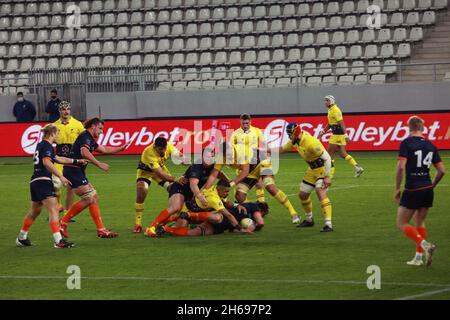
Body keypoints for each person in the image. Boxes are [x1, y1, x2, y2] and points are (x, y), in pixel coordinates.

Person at [15, 124, 87, 248]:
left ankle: (22, 237)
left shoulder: (42, 145)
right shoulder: (46, 145)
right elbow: (47, 162)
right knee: (53, 209)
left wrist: (76, 161)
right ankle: (58, 241)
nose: (58, 136)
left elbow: (58, 158)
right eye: (57, 133)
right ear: (52, 134)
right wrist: (61, 176)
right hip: (43, 180)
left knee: (35, 211)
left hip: (35, 181)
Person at [59, 118, 129, 238]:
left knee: (93, 197)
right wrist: (99, 164)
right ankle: (63, 223)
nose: (101, 131)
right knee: (88, 198)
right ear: (93, 126)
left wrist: (120, 148)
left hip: (77, 171)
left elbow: (104, 149)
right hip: (73, 170)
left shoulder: (89, 138)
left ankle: (101, 230)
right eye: (100, 128)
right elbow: (84, 152)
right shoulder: (85, 136)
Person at [203, 142, 299, 224]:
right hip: (250, 171)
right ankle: (254, 212)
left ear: (233, 148)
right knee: (239, 195)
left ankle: (293, 212)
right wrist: (204, 191)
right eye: (228, 156)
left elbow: (244, 171)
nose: (230, 157)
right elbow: (213, 175)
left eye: (231, 154)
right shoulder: (221, 158)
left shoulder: (240, 152)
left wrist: (231, 184)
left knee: (270, 187)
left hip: (262, 162)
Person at [395, 116, 445, 267]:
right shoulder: (431, 145)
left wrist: (397, 188)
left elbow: (401, 167)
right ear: (422, 128)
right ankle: (418, 258)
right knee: (420, 221)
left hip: (413, 187)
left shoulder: (406, 143)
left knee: (402, 222)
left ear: (409, 127)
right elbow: (442, 171)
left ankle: (425, 244)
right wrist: (432, 185)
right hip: (427, 188)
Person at [273, 123, 334, 232]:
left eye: (290, 134)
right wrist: (265, 151)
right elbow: (282, 149)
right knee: (303, 195)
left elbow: (327, 158)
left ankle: (328, 224)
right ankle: (309, 219)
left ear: (295, 132)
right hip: (312, 169)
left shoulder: (310, 142)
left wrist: (328, 176)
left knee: (320, 191)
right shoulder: (295, 142)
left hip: (324, 167)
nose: (288, 136)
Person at [146, 180, 244, 237]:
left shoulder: (214, 189)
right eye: (226, 191)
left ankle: (166, 226)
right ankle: (164, 225)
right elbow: (228, 215)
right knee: (181, 229)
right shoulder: (213, 199)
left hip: (197, 211)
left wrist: (236, 205)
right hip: (187, 210)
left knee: (215, 215)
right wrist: (239, 228)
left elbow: (226, 203)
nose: (228, 193)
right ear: (219, 189)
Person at [133, 137, 186, 233]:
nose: (163, 151)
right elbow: (160, 174)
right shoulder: (148, 152)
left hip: (160, 169)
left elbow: (177, 154)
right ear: (155, 147)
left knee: (174, 190)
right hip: (146, 172)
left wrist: (183, 159)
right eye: (160, 149)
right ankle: (138, 224)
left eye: (164, 148)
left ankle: (178, 217)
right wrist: (176, 179)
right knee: (142, 190)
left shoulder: (168, 146)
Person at [159, 202, 269, 237]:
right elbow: (261, 222)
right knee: (216, 218)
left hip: (220, 228)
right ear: (261, 210)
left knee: (195, 232)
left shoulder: (246, 218)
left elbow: (233, 230)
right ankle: (189, 215)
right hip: (221, 217)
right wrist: (256, 226)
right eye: (263, 214)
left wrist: (243, 230)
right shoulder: (251, 206)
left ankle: (166, 229)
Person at [318, 95, 364, 178]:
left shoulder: (335, 110)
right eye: (325, 100)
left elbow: (342, 123)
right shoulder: (330, 110)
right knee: (343, 154)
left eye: (327, 100)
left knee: (329, 154)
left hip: (337, 135)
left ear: (331, 101)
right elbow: (330, 123)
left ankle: (330, 175)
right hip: (338, 135)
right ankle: (358, 168)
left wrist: (346, 135)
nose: (325, 102)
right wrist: (323, 131)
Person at [52, 101, 85, 214]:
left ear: (70, 110)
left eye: (67, 109)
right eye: (63, 109)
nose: (66, 111)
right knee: (56, 184)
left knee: (71, 187)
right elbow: (49, 140)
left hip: (73, 159)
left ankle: (68, 212)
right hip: (59, 159)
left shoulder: (78, 124)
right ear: (59, 111)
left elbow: (84, 139)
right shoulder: (54, 125)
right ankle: (58, 206)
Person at [230, 113, 266, 203]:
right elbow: (230, 147)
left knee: (258, 183)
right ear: (240, 122)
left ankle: (261, 203)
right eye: (243, 123)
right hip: (241, 162)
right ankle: (237, 202)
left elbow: (264, 144)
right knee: (239, 182)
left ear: (250, 121)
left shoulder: (257, 131)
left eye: (247, 123)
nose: (245, 125)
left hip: (254, 161)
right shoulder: (235, 134)